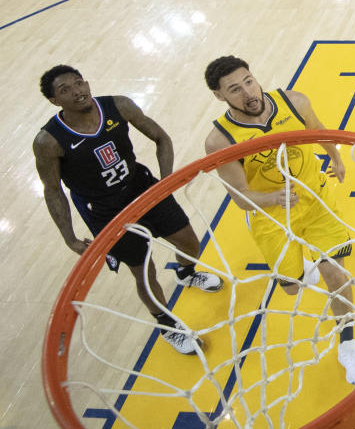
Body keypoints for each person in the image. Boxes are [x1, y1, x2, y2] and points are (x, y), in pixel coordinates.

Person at [34, 65, 223, 355]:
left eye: (79, 82)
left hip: (143, 188)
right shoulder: (49, 141)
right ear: (54, 101)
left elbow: (161, 138)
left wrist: (167, 180)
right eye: (65, 90)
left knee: (189, 242)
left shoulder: (118, 105)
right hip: (106, 211)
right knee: (143, 270)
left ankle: (186, 274)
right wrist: (69, 237)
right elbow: (53, 190)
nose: (77, 91)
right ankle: (166, 323)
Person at [203, 56, 355, 386]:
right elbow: (240, 197)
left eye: (248, 81)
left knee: (336, 274)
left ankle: (347, 344)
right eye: (234, 89)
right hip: (272, 217)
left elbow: (318, 130)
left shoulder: (293, 102)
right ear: (219, 96)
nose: (248, 92)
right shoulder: (220, 141)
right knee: (291, 289)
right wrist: (271, 199)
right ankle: (300, 271)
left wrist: (334, 157)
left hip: (316, 199)